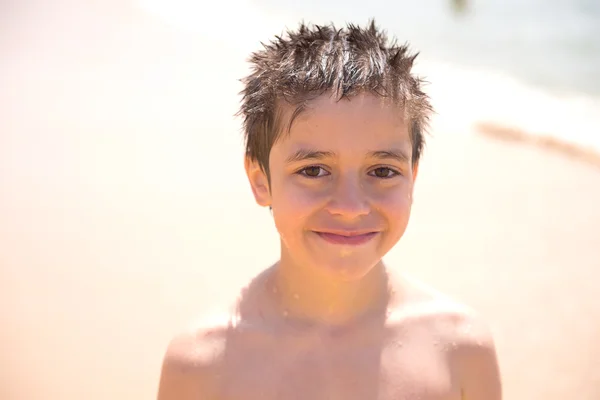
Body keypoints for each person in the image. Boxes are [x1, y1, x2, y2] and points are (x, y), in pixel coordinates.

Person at [156, 20, 502, 400]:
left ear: (413, 179)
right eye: (314, 170)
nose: (350, 207)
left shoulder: (461, 350)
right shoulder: (201, 365)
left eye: (382, 171)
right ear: (260, 180)